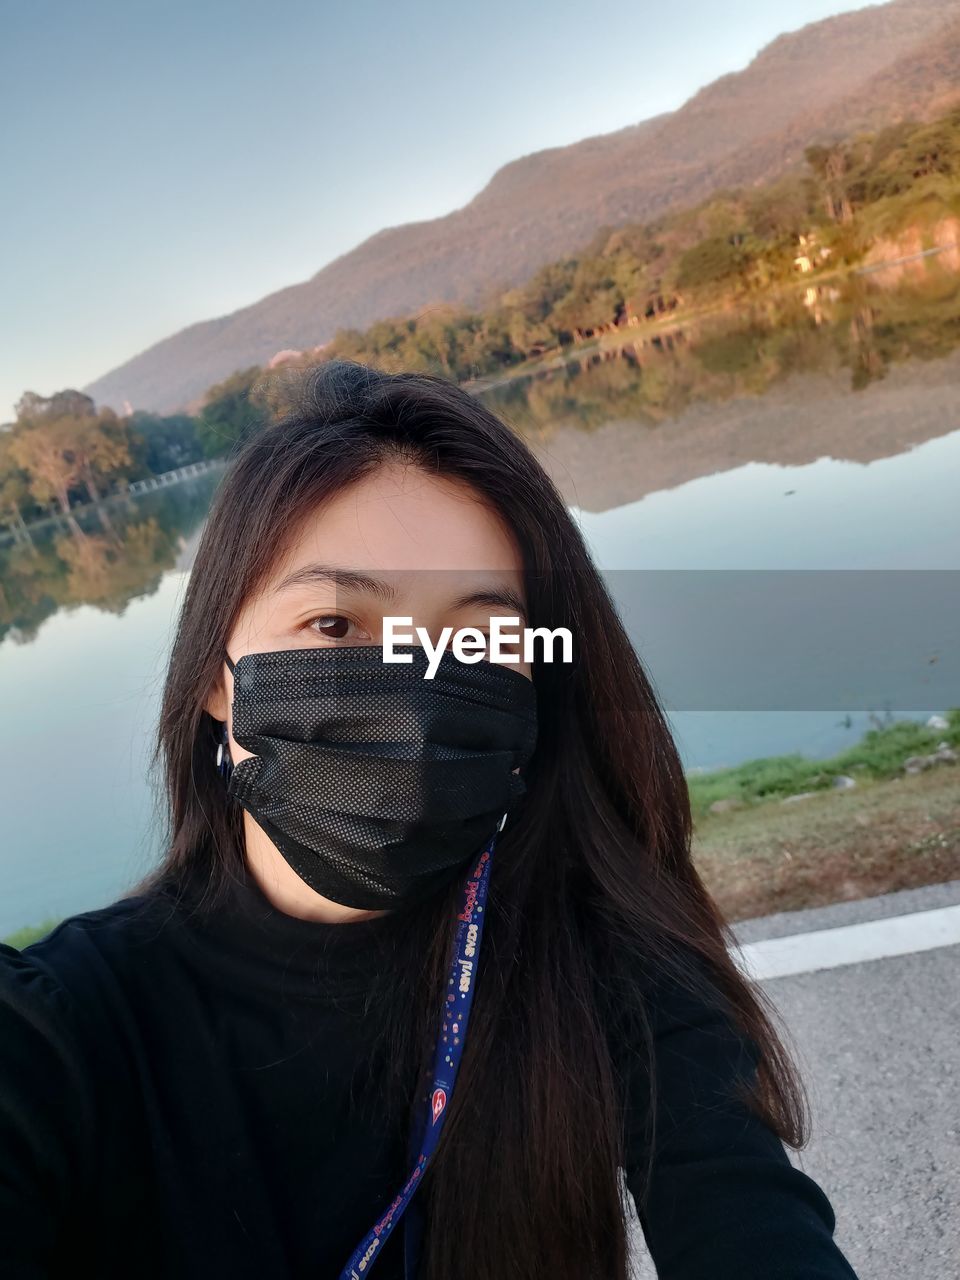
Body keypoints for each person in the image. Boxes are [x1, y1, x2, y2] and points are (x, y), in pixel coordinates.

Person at [0, 361, 861, 1280]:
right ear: (217, 679)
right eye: (334, 626)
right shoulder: (59, 1035)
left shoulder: (602, 956)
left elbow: (744, 1215)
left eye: (479, 638)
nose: (412, 693)